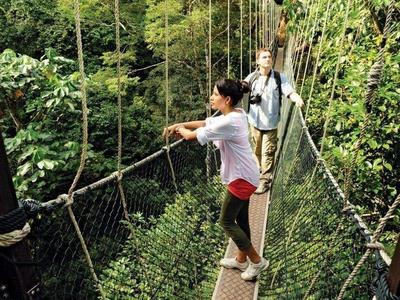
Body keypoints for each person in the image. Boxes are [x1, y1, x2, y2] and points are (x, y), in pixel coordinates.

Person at [163, 79, 269, 281]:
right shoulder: (235, 114)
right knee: (241, 219)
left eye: (215, 94)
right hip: (246, 174)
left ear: (227, 99)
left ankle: (256, 261)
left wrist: (179, 130)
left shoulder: (230, 121)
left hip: (242, 179)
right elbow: (205, 123)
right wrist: (181, 124)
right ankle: (240, 259)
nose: (211, 97)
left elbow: (190, 137)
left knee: (226, 221)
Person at [245, 48, 304, 194]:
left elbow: (289, 91)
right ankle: (257, 173)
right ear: (258, 61)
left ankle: (264, 181)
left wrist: (297, 98)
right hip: (254, 122)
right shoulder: (252, 77)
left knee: (268, 152)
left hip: (270, 124)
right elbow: (241, 89)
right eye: (264, 57)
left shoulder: (279, 77)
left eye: (269, 57)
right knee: (256, 150)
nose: (268, 59)